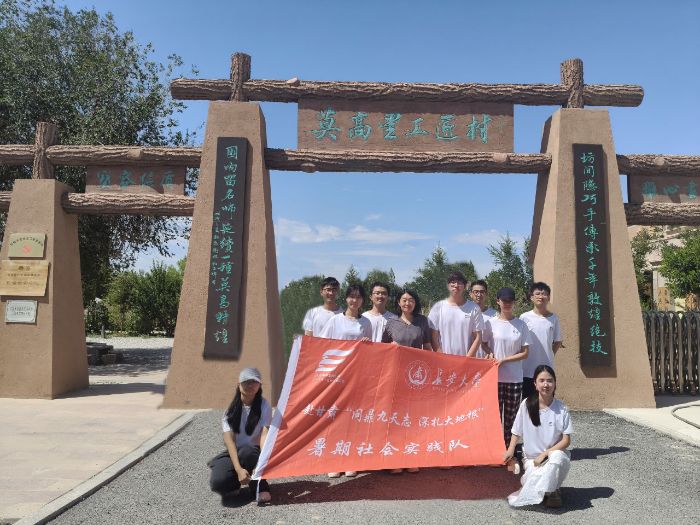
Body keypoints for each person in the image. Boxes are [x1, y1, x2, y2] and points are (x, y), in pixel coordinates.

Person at [319, 283, 371, 478]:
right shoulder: (335, 321)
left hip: (357, 375)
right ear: (346, 298)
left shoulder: (366, 323)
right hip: (337, 375)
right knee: (335, 417)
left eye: (358, 297)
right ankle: (334, 461)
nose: (354, 300)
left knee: (352, 418)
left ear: (363, 301)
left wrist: (367, 344)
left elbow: (371, 350)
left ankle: (350, 460)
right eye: (351, 296)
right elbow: (322, 344)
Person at [503, 365, 573, 508]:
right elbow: (516, 430)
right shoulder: (526, 404)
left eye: (550, 381)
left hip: (551, 456)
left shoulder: (562, 408)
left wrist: (545, 454)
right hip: (532, 460)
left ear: (555, 383)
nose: (546, 384)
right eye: (542, 381)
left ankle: (552, 491)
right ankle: (548, 489)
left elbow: (566, 440)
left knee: (558, 458)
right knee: (532, 482)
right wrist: (510, 450)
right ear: (535, 384)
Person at [381, 288, 431, 474]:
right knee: (395, 418)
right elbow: (382, 349)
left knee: (412, 417)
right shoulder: (391, 322)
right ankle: (394, 459)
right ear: (398, 302)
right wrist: (390, 347)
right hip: (395, 376)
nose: (407, 303)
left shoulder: (422, 321)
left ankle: (410, 456)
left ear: (415, 303)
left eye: (411, 300)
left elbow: (427, 346)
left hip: (416, 377)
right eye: (404, 300)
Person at [208, 367, 273, 504]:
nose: (250, 385)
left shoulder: (264, 405)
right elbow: (230, 441)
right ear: (238, 384)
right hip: (235, 451)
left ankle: (260, 487)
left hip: (254, 452)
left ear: (260, 385)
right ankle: (235, 484)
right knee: (218, 482)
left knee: (248, 451)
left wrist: (262, 461)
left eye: (254, 382)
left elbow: (264, 434)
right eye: (246, 381)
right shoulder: (230, 410)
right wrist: (238, 470)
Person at [482, 287, 530, 448]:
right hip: (494, 378)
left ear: (514, 302)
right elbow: (483, 343)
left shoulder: (521, 325)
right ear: (498, 301)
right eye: (504, 300)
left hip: (514, 378)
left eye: (510, 301)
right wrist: (490, 353)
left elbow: (525, 353)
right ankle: (494, 449)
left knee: (511, 418)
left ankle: (509, 450)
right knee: (494, 417)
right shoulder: (490, 323)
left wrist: (504, 360)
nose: (507, 303)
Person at [520, 282, 563, 399]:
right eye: (537, 294)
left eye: (544, 294)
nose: (541, 296)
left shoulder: (554, 318)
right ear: (531, 297)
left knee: (546, 403)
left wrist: (550, 354)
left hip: (547, 368)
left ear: (548, 297)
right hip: (527, 369)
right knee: (528, 404)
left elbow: (557, 341)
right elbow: (520, 342)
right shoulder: (524, 317)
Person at [428, 271, 483, 357]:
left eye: (460, 283)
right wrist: (442, 358)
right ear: (448, 285)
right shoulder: (437, 307)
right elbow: (433, 337)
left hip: (466, 360)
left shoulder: (474, 308)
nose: (456, 285)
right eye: (453, 282)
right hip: (443, 360)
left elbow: (478, 337)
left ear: (465, 286)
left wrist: (466, 359)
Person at [469, 279, 497, 358]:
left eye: (482, 292)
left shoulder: (495, 315)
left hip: (487, 359)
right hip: (467, 358)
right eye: (476, 292)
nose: (479, 295)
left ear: (486, 294)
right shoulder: (464, 313)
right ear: (470, 294)